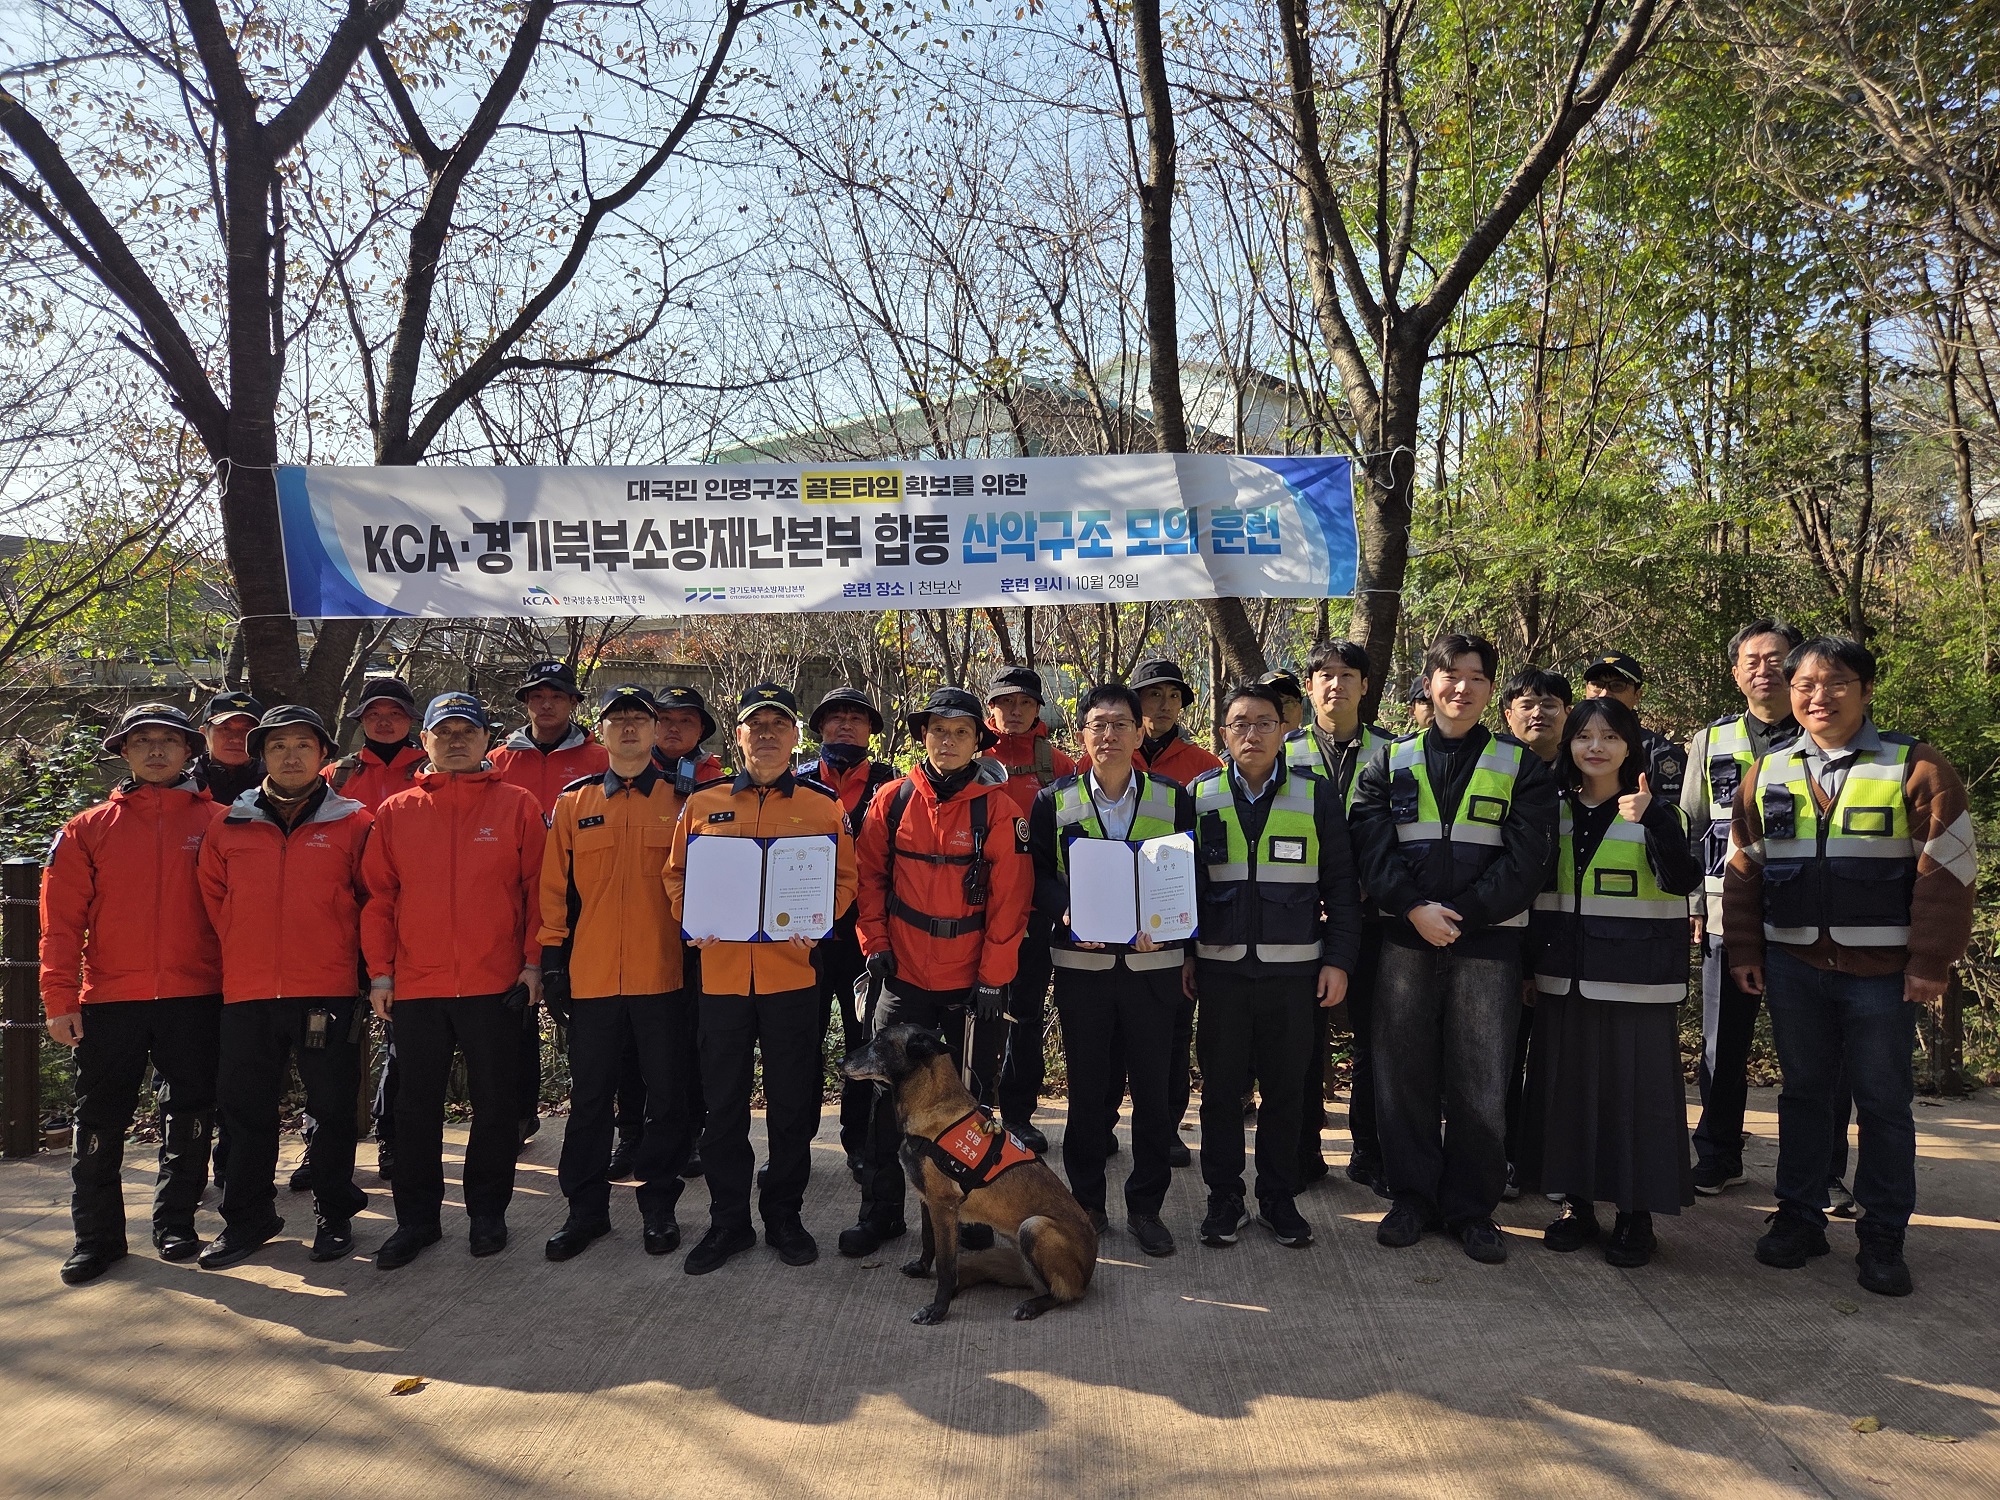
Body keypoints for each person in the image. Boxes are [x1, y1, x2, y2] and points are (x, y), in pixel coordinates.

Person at [1725, 637, 1977, 1297]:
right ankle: (1799, 1218)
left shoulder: (1915, 767)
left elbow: (1946, 875)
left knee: (1885, 1104)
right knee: (1803, 1096)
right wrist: (1747, 951)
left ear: (1865, 690)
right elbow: (1744, 871)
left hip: (1883, 975)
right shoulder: (1770, 771)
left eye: (1835, 682)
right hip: (1793, 967)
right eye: (1804, 684)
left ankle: (1883, 1237)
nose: (1817, 696)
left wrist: (1930, 962)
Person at [1348, 633, 1558, 1265]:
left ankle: (1472, 1209)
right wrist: (1414, 908)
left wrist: (1460, 916)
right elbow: (1371, 847)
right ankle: (1412, 1197)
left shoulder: (1522, 765)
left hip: (1487, 944)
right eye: (1449, 675)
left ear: (1491, 691)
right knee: (1402, 1073)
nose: (1460, 687)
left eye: (1474, 677)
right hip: (1403, 939)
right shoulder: (1386, 762)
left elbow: (1529, 861)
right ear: (1429, 682)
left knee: (1481, 1077)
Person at [664, 684, 857, 1275]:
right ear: (739, 736)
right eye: (756, 725)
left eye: (779, 724)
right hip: (721, 979)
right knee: (722, 1107)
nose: (768, 734)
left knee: (792, 1105)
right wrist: (692, 920)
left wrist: (819, 921)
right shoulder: (704, 803)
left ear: (796, 737)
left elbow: (845, 879)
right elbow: (675, 876)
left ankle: (784, 1216)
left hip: (791, 978)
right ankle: (729, 1222)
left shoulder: (824, 806)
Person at [840, 686, 1034, 1258]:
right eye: (937, 730)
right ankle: (880, 1213)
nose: (947, 741)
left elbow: (1011, 902)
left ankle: (969, 1214)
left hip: (971, 985)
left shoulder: (999, 809)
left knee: (971, 1105)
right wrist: (873, 942)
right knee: (884, 1103)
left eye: (960, 732)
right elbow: (868, 879)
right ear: (922, 736)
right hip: (901, 979)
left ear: (979, 741)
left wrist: (994, 980)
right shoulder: (892, 800)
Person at [362, 692, 547, 1269]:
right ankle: (417, 1221)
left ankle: (487, 1213)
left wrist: (533, 963)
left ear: (488, 738)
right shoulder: (397, 810)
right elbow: (378, 898)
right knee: (415, 1111)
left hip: (496, 983)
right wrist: (381, 974)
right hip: (417, 985)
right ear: (428, 741)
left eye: (470, 730)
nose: (458, 740)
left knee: (497, 1106)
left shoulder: (517, 804)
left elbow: (539, 891)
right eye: (446, 731)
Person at [41, 704, 224, 1285]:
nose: (155, 751)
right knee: (97, 1121)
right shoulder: (87, 828)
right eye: (141, 741)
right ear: (123, 752)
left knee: (191, 1115)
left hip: (195, 994)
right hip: (109, 999)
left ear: (189, 751)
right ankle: (96, 1238)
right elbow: (61, 923)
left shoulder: (221, 822)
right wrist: (59, 999)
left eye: (168, 742)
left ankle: (176, 1224)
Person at [1519, 697, 1702, 1267]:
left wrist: (1652, 818)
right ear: (1569, 745)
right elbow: (1535, 897)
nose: (1595, 746)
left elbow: (1683, 878)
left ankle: (1634, 1214)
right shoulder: (1552, 809)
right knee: (1567, 1093)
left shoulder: (1658, 811)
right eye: (1583, 736)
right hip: (1562, 977)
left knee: (1635, 1099)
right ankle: (1576, 1204)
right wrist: (1529, 968)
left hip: (1637, 982)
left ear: (1631, 745)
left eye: (1610, 736)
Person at [195, 706, 373, 1268]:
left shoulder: (356, 823)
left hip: (328, 989)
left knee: (333, 1107)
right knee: (244, 1110)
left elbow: (373, 900)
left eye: (303, 745)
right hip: (247, 992)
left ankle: (334, 1214)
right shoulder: (228, 824)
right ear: (260, 756)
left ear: (324, 756)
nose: (290, 756)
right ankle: (249, 1219)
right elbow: (214, 902)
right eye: (277, 747)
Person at [1188, 683, 1362, 1251]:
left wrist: (1337, 960)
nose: (1252, 734)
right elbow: (1180, 888)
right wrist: (1187, 957)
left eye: (1264, 722)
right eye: (1239, 723)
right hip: (1220, 975)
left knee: (1289, 1092)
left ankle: (1279, 1199)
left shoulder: (1315, 796)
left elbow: (1341, 886)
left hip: (1295, 975)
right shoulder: (1200, 795)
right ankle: (1224, 1198)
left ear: (1284, 729)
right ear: (1223, 734)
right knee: (1219, 1094)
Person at [1030, 683, 1196, 1256]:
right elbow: (1039, 881)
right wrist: (1067, 909)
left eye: (1121, 724)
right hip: (1084, 966)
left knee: (1153, 1093)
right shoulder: (1054, 800)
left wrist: (1173, 928)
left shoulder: (1174, 798)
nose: (1109, 735)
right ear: (1082, 734)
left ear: (1140, 731)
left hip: (1153, 966)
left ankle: (1146, 1208)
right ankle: (1089, 1205)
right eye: (1098, 724)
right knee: (1088, 1095)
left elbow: (1185, 878)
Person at [537, 685, 699, 1262]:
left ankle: (659, 1207)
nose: (628, 727)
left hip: (665, 975)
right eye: (617, 719)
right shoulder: (573, 803)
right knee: (589, 1102)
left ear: (657, 731)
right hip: (593, 977)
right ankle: (585, 1212)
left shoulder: (686, 800)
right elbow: (553, 889)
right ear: (599, 731)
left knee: (667, 1101)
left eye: (640, 718)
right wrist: (552, 960)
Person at [1680, 618, 1802, 1196]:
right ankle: (1718, 1153)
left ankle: (1816, 1171)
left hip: (1809, 919)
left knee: (1810, 1053)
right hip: (1728, 917)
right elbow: (1693, 825)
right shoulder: (1712, 740)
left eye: (1775, 657)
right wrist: (1695, 904)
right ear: (1735, 673)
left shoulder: (1825, 736)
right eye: (1750, 660)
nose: (1763, 668)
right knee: (1721, 1045)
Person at [1285, 639, 1399, 1193]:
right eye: (1324, 675)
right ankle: (1304, 1150)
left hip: (1376, 917)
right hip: (1303, 918)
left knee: (1376, 1037)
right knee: (1302, 1041)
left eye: (1348, 674)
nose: (1336, 684)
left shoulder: (1396, 753)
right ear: (1309, 687)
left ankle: (1371, 1151)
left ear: (1364, 685)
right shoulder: (1284, 752)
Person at [489, 660, 609, 1146]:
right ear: (525, 703)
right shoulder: (497, 760)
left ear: (574, 703)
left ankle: (599, 1114)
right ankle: (517, 1112)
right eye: (537, 695)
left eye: (557, 695)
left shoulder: (600, 758)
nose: (546, 703)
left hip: (582, 898)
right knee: (514, 1008)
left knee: (584, 1012)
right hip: (508, 897)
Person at [323, 675, 425, 1185]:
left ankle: (392, 1141)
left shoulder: (432, 769)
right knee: (331, 1047)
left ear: (412, 720)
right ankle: (323, 1150)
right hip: (339, 926)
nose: (385, 722)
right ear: (360, 719)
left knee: (401, 1043)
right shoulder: (335, 776)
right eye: (374, 713)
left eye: (396, 713)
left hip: (406, 924)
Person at [796, 686, 899, 1178]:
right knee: (798, 1042)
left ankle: (860, 1140)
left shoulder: (893, 787)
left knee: (865, 1045)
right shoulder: (792, 783)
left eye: (856, 719)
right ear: (818, 727)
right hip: (802, 940)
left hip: (869, 941)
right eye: (834, 717)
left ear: (871, 731)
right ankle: (796, 1141)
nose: (844, 725)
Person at [1127, 657, 1221, 1167]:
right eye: (1151, 694)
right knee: (1114, 1033)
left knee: (1172, 1030)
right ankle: (1101, 1126)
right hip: (1111, 925)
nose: (1162, 705)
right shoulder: (1108, 753)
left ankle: (1164, 1128)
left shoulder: (1204, 764)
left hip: (1175, 921)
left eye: (1172, 696)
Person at [633, 682, 726, 1180]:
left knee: (693, 1040)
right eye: (664, 719)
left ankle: (694, 1133)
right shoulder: (624, 776)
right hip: (638, 928)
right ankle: (633, 1135)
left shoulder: (721, 784)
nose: (673, 728)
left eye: (685, 721)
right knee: (639, 1042)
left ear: (701, 731)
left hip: (701, 937)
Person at [982, 666, 1076, 1151]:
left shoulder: (1060, 766)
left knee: (1026, 1012)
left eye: (1024, 702)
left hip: (1037, 912)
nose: (1014, 711)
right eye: (1005, 703)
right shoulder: (970, 758)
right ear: (990, 708)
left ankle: (1018, 1113)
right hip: (975, 912)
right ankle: (971, 1110)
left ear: (1039, 708)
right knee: (973, 1013)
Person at [1495, 665, 1572, 1196]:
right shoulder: (1491, 769)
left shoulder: (1590, 768)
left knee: (1562, 1059)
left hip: (1569, 936)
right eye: (1526, 703)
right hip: (1504, 933)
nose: (1538, 712)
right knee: (1498, 1056)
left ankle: (1554, 1164)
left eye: (1550, 703)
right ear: (1508, 715)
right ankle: (1499, 1158)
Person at [1579, 652, 1687, 804]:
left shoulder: (1659, 753)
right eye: (1597, 684)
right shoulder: (1571, 743)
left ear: (1637, 695)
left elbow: (1671, 818)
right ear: (1586, 690)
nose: (1604, 694)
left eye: (1617, 686)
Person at [1130, 657, 1223, 787]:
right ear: (1135, 701)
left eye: (1174, 696)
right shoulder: (1110, 756)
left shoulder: (1205, 765)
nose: (1166, 706)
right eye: (1155, 694)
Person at [197, 691, 265, 808]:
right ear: (204, 734)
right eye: (225, 729)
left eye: (247, 730)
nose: (236, 739)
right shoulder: (184, 785)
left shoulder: (278, 786)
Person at [1499, 668, 1571, 768]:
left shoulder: (1586, 763)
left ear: (1568, 713)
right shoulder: (1492, 762)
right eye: (1526, 707)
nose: (1537, 714)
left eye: (1549, 705)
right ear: (1508, 716)